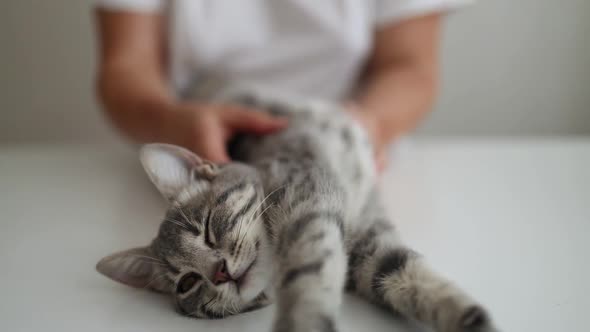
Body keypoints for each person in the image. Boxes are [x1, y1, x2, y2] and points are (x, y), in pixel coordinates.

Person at [95, 0, 469, 171]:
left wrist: (368, 126)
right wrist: (170, 122)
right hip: (194, 162)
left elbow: (411, 67)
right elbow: (127, 67)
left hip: (351, 162)